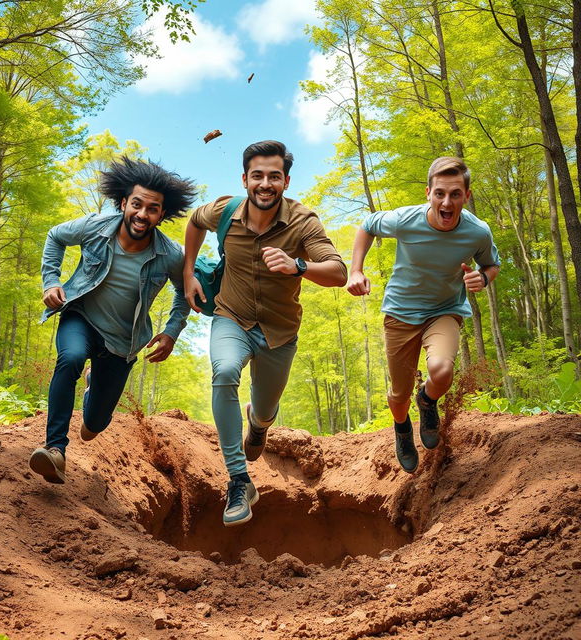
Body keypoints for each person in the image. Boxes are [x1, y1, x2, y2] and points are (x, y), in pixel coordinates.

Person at [183, 140, 347, 526]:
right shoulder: (224, 212)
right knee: (224, 373)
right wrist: (189, 272)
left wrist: (298, 266)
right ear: (245, 179)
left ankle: (258, 423)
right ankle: (239, 481)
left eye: (274, 176)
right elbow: (193, 221)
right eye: (257, 175)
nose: (265, 183)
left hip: (279, 331)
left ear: (286, 181)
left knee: (266, 407)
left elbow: (338, 272)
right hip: (231, 316)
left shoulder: (303, 222)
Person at [29, 156, 196, 484]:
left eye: (152, 209)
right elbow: (55, 237)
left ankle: (94, 397)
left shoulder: (170, 255)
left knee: (94, 426)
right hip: (81, 317)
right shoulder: (95, 226)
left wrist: (171, 332)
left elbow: (185, 290)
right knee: (71, 358)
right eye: (137, 204)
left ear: (162, 214)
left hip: (123, 343)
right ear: (123, 203)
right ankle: (55, 450)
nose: (142, 214)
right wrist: (51, 281)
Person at [347, 157, 500, 473]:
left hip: (444, 311)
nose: (447, 202)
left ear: (466, 196)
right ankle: (402, 428)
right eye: (440, 193)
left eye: (455, 194)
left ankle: (428, 401)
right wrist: (356, 270)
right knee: (399, 394)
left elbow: (491, 264)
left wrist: (483, 278)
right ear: (429, 192)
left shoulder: (477, 232)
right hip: (400, 314)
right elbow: (366, 226)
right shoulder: (405, 220)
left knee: (442, 370)